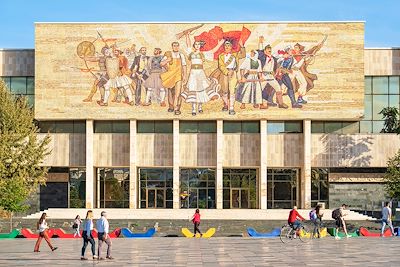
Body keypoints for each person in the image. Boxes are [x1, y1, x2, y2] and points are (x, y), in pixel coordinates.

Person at [181, 34, 221, 115]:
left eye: (198, 44)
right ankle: (193, 109)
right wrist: (187, 35)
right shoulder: (191, 53)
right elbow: (188, 45)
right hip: (193, 74)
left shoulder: (203, 54)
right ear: (194, 45)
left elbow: (213, 51)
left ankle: (199, 107)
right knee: (193, 89)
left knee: (201, 89)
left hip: (200, 73)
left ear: (200, 45)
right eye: (195, 44)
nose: (197, 46)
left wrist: (220, 43)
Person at [210, 40, 246, 115]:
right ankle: (226, 104)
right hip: (224, 74)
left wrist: (242, 46)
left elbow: (243, 55)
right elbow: (221, 66)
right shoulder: (221, 56)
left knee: (232, 91)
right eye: (226, 45)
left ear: (231, 47)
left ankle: (231, 108)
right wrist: (227, 72)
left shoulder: (235, 55)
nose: (227, 47)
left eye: (228, 45)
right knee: (225, 91)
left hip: (233, 73)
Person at [160, 42, 188, 115]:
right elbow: (161, 64)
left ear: (179, 47)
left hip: (178, 75)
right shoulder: (168, 54)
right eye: (174, 46)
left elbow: (184, 66)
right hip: (171, 75)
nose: (176, 47)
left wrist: (185, 75)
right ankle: (171, 106)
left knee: (178, 92)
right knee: (170, 92)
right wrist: (167, 60)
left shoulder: (181, 55)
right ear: (172, 47)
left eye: (177, 46)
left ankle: (177, 108)